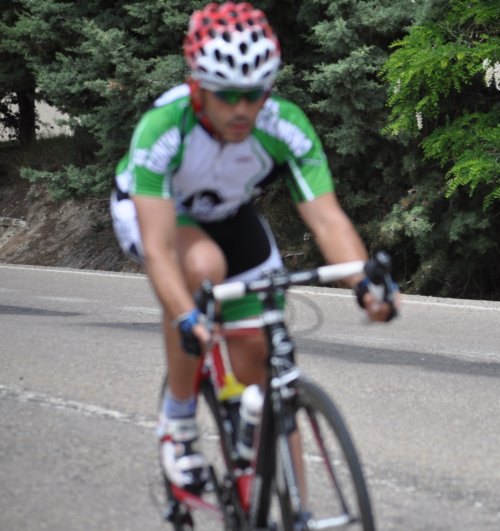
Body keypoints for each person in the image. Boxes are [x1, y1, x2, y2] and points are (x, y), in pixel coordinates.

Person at [110, 1, 397, 493]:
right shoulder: (164, 126)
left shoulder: (283, 124)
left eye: (255, 93)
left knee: (261, 368)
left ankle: (288, 509)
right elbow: (158, 249)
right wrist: (186, 316)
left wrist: (365, 283)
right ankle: (179, 421)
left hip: (228, 214)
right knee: (203, 265)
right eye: (227, 95)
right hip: (154, 214)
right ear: (198, 86)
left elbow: (327, 219)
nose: (242, 109)